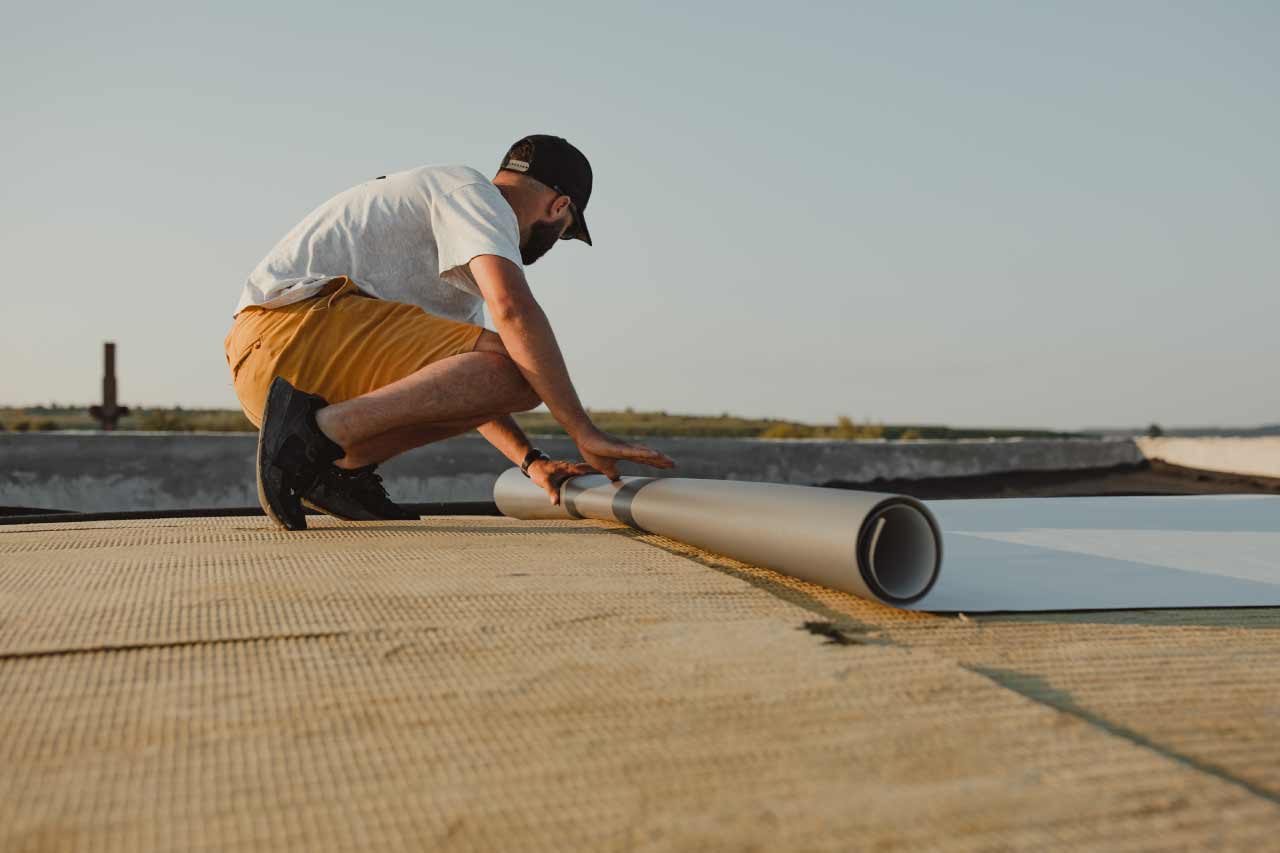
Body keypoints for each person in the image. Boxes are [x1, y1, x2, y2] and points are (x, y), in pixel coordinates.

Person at [224, 134, 675, 530]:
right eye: (564, 232)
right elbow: (514, 311)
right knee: (524, 364)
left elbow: (469, 387)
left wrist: (531, 461)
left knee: (506, 370)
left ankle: (333, 468)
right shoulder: (474, 194)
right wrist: (584, 431)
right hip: (289, 330)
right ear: (559, 208)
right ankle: (312, 438)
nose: (554, 243)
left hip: (279, 361)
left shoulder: (457, 260)